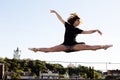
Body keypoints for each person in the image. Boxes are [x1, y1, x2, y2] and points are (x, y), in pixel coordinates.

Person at [28, 10, 113, 53]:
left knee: (89, 47)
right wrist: (55, 12)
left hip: (74, 46)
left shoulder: (77, 30)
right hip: (65, 46)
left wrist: (96, 30)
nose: (79, 22)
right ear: (74, 21)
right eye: (78, 21)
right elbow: (60, 19)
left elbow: (88, 32)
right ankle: (37, 49)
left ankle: (104, 46)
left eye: (79, 21)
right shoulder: (67, 25)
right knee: (50, 49)